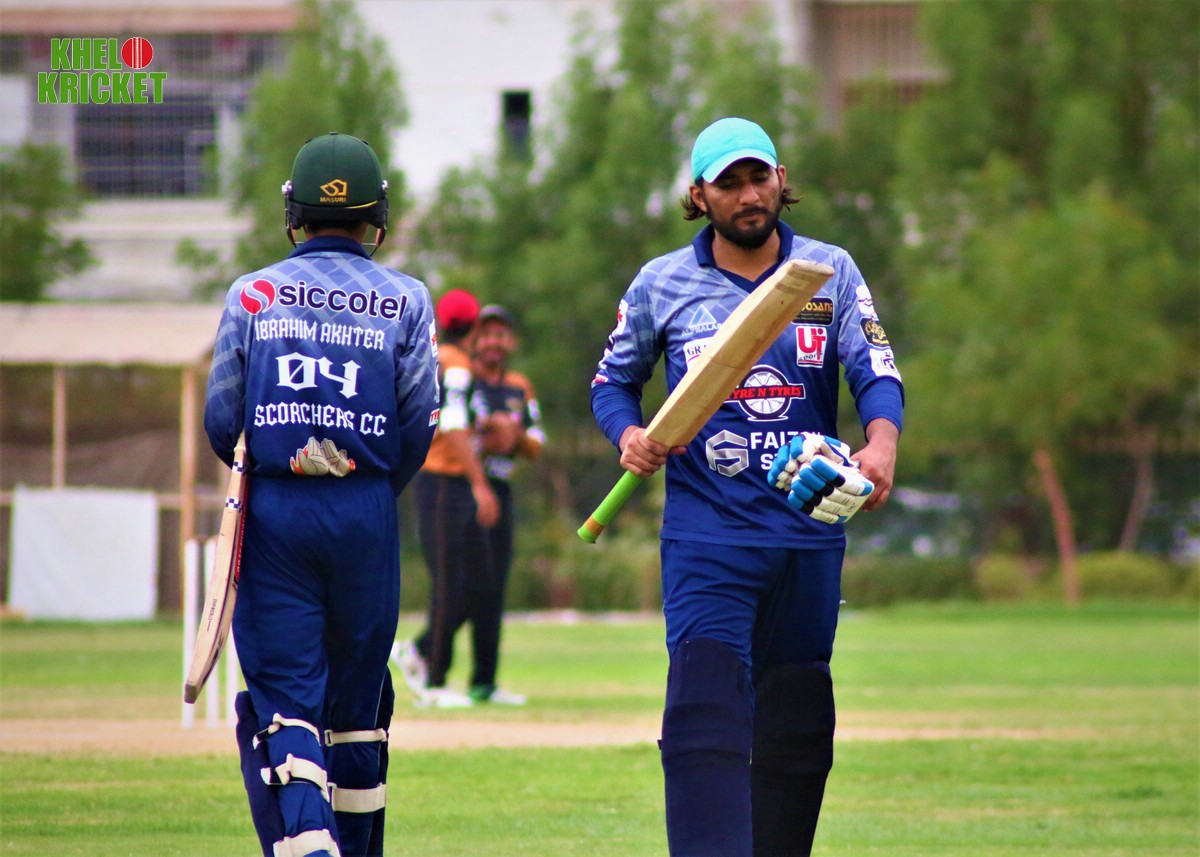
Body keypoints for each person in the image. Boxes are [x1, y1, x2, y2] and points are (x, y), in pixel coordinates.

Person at [589, 117, 903, 857]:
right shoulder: (660, 282)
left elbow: (875, 368)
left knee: (797, 722)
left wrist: (882, 442)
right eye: (728, 183)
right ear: (699, 196)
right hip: (708, 538)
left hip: (807, 535)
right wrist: (629, 436)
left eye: (758, 177)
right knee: (706, 713)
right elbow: (612, 383)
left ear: (781, 179)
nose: (748, 194)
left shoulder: (827, 270)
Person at [204, 132, 440, 857]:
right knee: (359, 709)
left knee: (285, 704)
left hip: (277, 513)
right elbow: (418, 425)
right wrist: (369, 487)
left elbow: (221, 420)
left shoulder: (253, 295)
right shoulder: (406, 299)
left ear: (295, 213)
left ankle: (310, 845)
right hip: (367, 511)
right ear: (378, 215)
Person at [393, 289, 499, 709]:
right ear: (473, 327)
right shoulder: (456, 364)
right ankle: (433, 680)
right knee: (451, 584)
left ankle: (419, 652)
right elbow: (452, 424)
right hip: (442, 483)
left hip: (446, 482)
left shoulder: (442, 359)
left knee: (475, 585)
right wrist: (480, 484)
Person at [464, 304, 546, 704]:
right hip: (462, 489)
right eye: (485, 334)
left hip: (502, 488)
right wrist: (484, 432)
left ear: (510, 341)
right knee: (467, 582)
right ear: (474, 340)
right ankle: (426, 655)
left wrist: (514, 434)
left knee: (494, 586)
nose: (493, 343)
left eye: (500, 334)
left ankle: (485, 681)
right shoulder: (463, 380)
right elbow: (449, 433)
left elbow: (537, 442)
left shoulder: (518, 386)